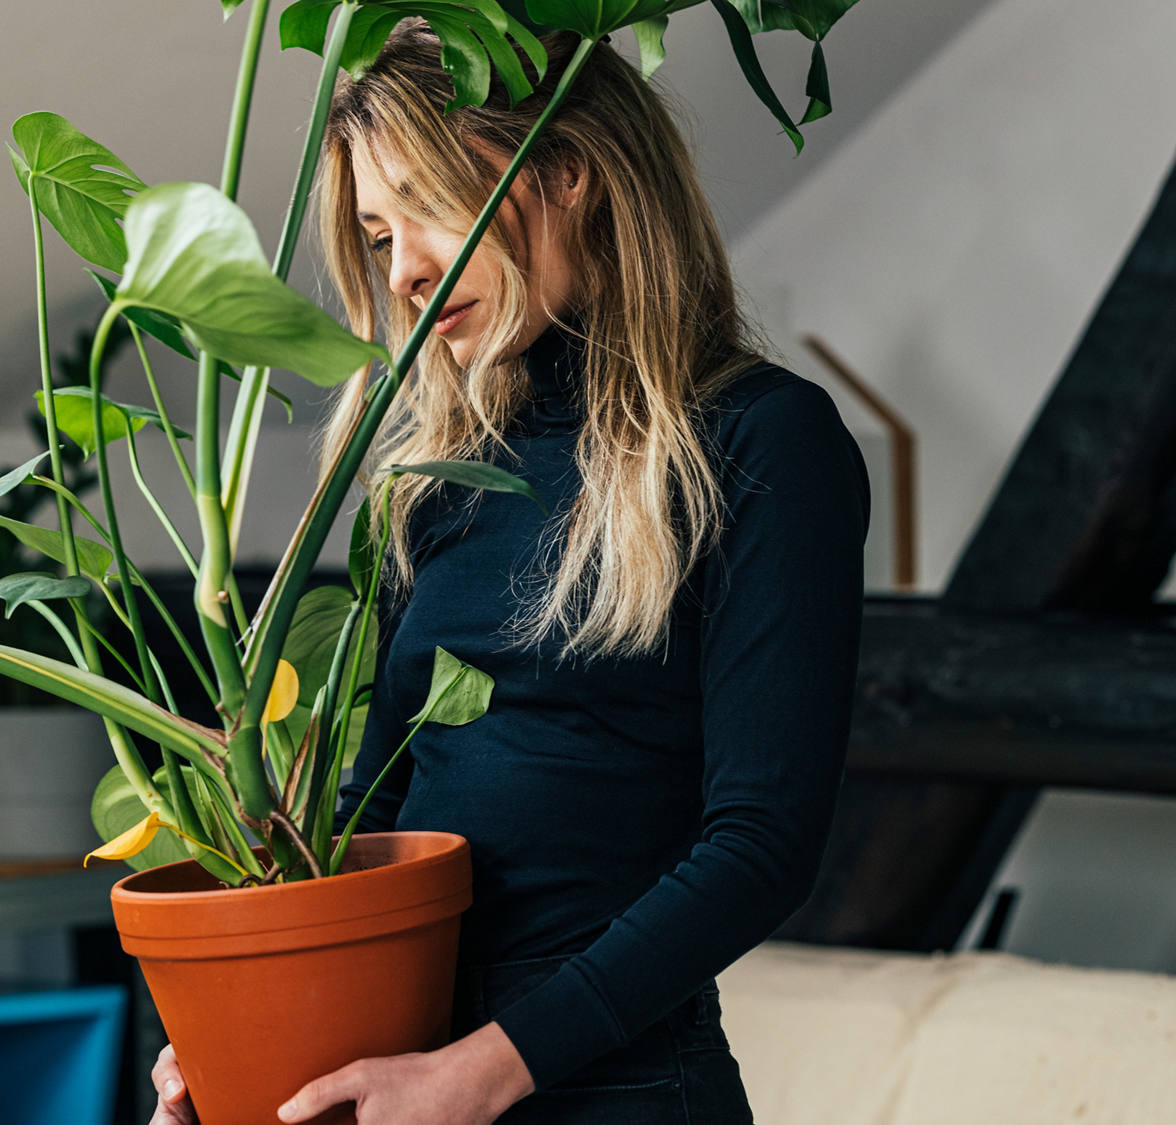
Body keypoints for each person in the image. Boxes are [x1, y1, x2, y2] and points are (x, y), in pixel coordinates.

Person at [151, 17, 869, 1125]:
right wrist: (251, 1023)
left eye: (429, 210)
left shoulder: (763, 440)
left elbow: (761, 846)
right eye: (377, 236)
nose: (406, 274)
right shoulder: (441, 472)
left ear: (569, 172)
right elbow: (373, 802)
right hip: (404, 1070)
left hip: (616, 1086)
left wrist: (476, 1073)